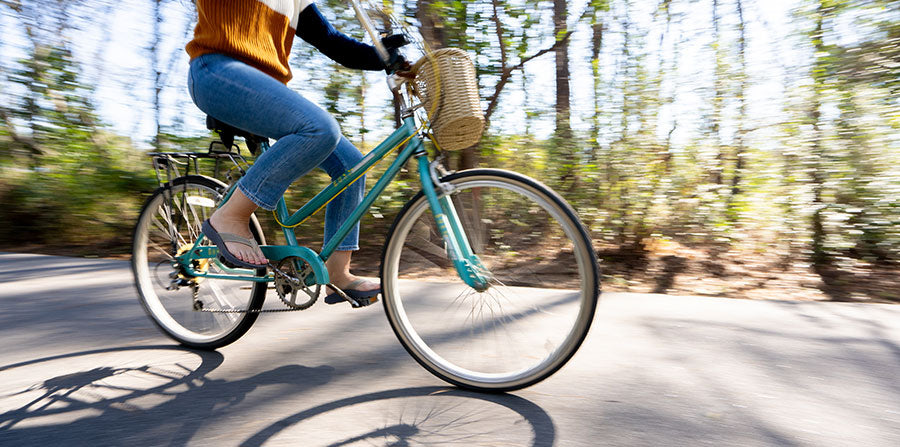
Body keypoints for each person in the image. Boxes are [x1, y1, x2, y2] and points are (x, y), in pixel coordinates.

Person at [186, 0, 404, 304]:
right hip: (216, 71)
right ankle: (231, 216)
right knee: (320, 128)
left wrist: (379, 54)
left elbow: (332, 42)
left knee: (353, 165)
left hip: (265, 89)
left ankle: (338, 273)